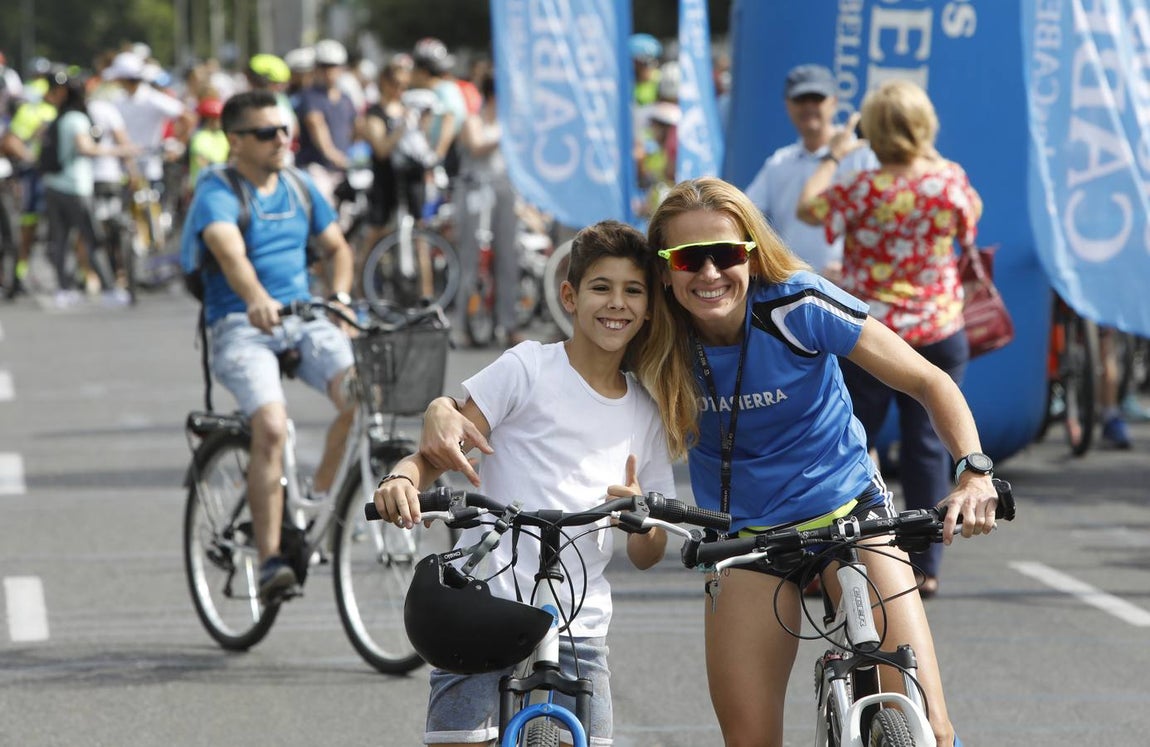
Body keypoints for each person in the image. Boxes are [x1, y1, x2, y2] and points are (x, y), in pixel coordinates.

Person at [423, 175, 998, 747]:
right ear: (665, 272)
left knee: (930, 725)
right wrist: (442, 408)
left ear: (751, 254)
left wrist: (973, 473)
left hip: (847, 512)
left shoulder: (798, 305)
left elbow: (928, 380)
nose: (708, 273)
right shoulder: (655, 336)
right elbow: (554, 372)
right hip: (745, 539)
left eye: (724, 254)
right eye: (688, 259)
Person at [376, 220, 674, 747]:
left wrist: (642, 519)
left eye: (633, 291)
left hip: (580, 626)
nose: (617, 303)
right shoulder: (527, 368)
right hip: (486, 606)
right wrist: (402, 478)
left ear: (649, 307)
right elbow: (438, 454)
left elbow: (649, 551)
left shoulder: (644, 411)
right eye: (601, 287)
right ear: (570, 296)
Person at [796, 79, 983, 599]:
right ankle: (924, 568)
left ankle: (834, 562)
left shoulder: (861, 186)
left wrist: (835, 155)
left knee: (845, 445)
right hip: (938, 328)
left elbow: (808, 206)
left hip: (871, 336)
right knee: (927, 449)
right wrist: (928, 152)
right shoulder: (948, 180)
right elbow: (972, 217)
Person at [180, 89, 357, 603]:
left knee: (364, 394)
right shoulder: (217, 190)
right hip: (241, 323)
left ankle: (317, 503)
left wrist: (340, 298)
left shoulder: (300, 184)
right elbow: (228, 253)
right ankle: (270, 558)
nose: (281, 139)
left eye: (285, 130)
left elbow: (337, 248)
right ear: (235, 141)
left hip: (303, 319)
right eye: (266, 133)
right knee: (272, 428)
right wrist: (256, 298)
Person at [745, 64, 878, 282]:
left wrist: (852, 265)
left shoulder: (861, 155)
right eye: (800, 99)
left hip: (847, 286)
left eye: (816, 98)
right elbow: (746, 215)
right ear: (788, 105)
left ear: (834, 102)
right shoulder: (779, 163)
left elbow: (881, 220)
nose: (808, 107)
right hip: (791, 284)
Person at [40, 72, 136, 308]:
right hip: (76, 186)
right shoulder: (76, 119)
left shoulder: (60, 118)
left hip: (54, 184)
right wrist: (120, 151)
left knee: (62, 240)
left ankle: (63, 288)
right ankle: (109, 288)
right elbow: (85, 147)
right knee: (93, 238)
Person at [452, 74, 523, 347]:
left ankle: (508, 323)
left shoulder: (511, 122)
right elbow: (476, 146)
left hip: (505, 191)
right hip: (476, 192)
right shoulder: (473, 120)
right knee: (471, 258)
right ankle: (462, 325)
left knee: (508, 256)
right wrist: (507, 137)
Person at [294, 39, 361, 206]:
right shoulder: (310, 97)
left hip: (344, 170)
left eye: (334, 66)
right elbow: (317, 127)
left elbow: (356, 129)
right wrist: (338, 158)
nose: (329, 71)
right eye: (324, 66)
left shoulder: (345, 98)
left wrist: (359, 156)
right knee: (324, 211)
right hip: (317, 168)